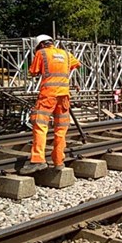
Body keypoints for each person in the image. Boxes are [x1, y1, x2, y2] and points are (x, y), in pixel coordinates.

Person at [19, 35, 81, 174]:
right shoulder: (66, 54)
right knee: (61, 129)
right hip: (64, 96)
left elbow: (33, 72)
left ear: (40, 45)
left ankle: (38, 160)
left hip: (48, 95)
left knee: (40, 125)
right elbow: (76, 64)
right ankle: (59, 161)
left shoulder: (42, 53)